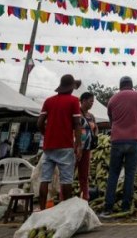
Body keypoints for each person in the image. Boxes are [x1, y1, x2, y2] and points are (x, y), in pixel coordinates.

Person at [102, 76, 137, 216]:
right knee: (129, 175)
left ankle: (108, 208)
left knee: (113, 175)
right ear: (132, 85)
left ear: (120, 86)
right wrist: (135, 124)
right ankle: (125, 208)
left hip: (117, 141)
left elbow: (112, 120)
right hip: (134, 140)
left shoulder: (112, 100)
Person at [37, 74, 82, 210]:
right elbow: (77, 124)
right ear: (71, 87)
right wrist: (78, 144)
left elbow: (39, 122)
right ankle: (65, 210)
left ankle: (42, 209)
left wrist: (46, 134)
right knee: (66, 180)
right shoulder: (74, 101)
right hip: (65, 145)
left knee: (45, 179)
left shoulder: (48, 101)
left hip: (49, 146)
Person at [76, 92, 98, 201]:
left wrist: (94, 135)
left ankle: (85, 197)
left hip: (87, 148)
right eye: (90, 101)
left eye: (93, 101)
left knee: (84, 174)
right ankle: (64, 198)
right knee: (69, 173)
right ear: (83, 101)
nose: (92, 103)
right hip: (75, 148)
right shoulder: (76, 113)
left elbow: (95, 127)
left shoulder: (91, 116)